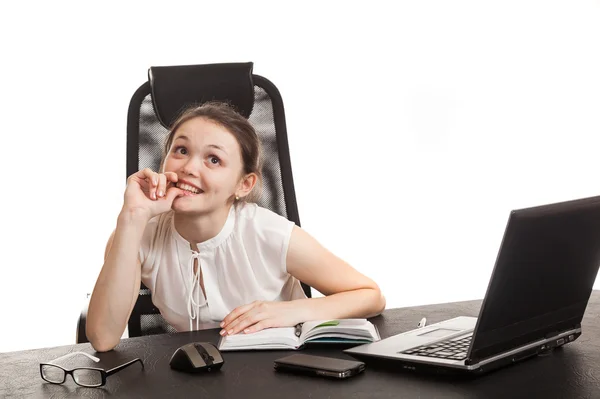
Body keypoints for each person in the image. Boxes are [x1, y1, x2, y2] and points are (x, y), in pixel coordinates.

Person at [87, 101, 386, 352]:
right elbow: (102, 338)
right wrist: (133, 216)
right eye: (180, 150)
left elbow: (370, 294)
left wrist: (286, 312)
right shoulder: (139, 232)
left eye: (213, 159)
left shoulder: (268, 233)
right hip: (197, 376)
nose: (189, 167)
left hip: (281, 370)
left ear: (244, 184)